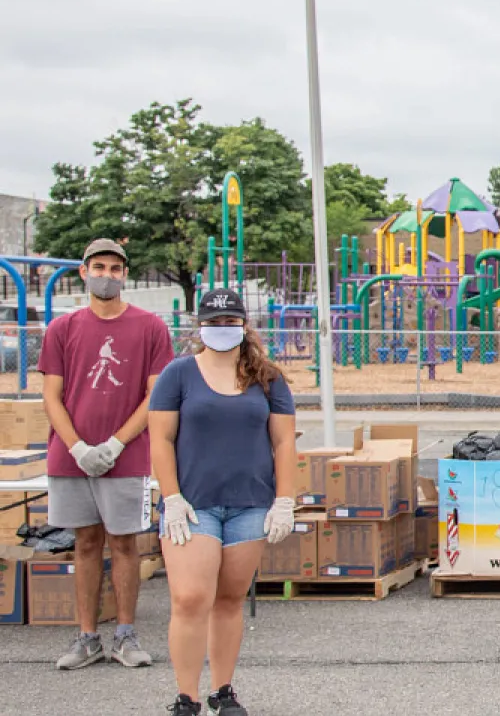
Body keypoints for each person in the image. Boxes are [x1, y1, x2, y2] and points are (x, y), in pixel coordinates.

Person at [151, 288, 297, 716]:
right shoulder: (177, 376)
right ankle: (186, 697)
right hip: (193, 506)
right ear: (200, 327)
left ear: (244, 325)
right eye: (213, 323)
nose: (221, 330)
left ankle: (223, 690)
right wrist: (171, 497)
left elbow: (284, 441)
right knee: (191, 598)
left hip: (250, 504)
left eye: (230, 322)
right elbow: (160, 439)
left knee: (230, 599)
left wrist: (285, 500)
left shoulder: (267, 379)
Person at [41, 238, 174, 672]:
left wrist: (117, 442)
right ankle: (86, 638)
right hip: (71, 456)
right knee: (84, 544)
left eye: (115, 269)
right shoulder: (63, 328)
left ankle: (125, 634)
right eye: (99, 267)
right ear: (83, 271)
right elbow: (51, 395)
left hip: (127, 456)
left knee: (124, 544)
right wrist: (77, 446)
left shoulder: (151, 327)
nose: (106, 275)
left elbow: (156, 395)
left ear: (125, 275)